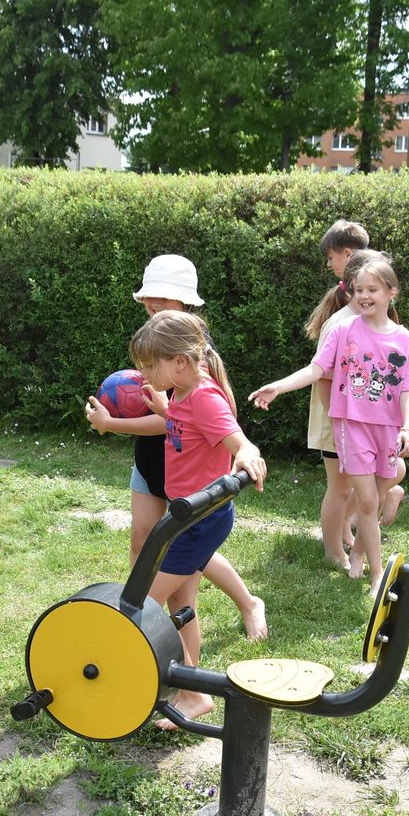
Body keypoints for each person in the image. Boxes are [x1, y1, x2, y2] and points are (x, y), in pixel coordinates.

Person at [85, 255, 268, 640]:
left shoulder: (195, 369)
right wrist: (164, 409)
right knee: (148, 555)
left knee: (167, 590)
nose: (152, 304)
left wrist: (245, 452)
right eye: (148, 298)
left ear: (184, 303)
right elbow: (178, 418)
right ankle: (165, 654)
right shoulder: (161, 350)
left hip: (192, 494)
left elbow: (219, 426)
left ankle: (234, 611)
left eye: (163, 299)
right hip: (161, 472)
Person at [251, 253, 409, 596]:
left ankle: (358, 553)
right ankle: (377, 575)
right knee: (368, 501)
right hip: (352, 427)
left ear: (392, 292)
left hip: (388, 431)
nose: (364, 296)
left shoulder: (404, 338)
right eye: (359, 289)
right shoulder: (344, 329)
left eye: (372, 289)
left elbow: (408, 388)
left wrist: (407, 428)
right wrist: (278, 387)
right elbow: (316, 370)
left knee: (379, 492)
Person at [130, 310, 267, 726]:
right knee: (180, 604)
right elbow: (187, 428)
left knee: (143, 603)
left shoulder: (205, 397)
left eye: (150, 365)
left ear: (180, 362)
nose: (145, 373)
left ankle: (180, 689)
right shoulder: (183, 391)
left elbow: (236, 438)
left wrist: (247, 455)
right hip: (187, 515)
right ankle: (193, 694)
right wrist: (165, 409)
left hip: (198, 520)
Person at [302, 240, 409, 566]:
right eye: (365, 287)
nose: (370, 293)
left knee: (377, 477)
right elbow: (322, 378)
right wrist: (338, 424)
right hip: (337, 421)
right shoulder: (341, 325)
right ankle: (334, 550)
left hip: (361, 423)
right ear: (353, 286)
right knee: (340, 489)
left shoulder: (375, 321)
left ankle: (352, 529)